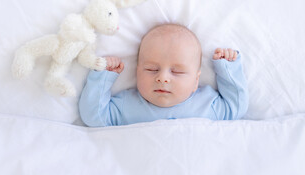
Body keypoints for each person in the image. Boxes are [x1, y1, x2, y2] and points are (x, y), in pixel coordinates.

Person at [79, 23, 249, 127]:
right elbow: (94, 118)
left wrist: (227, 69)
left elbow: (237, 107)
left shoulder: (207, 104)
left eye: (177, 71)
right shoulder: (126, 106)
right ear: (137, 72)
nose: (163, 78)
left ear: (196, 80)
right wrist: (103, 77)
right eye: (152, 69)